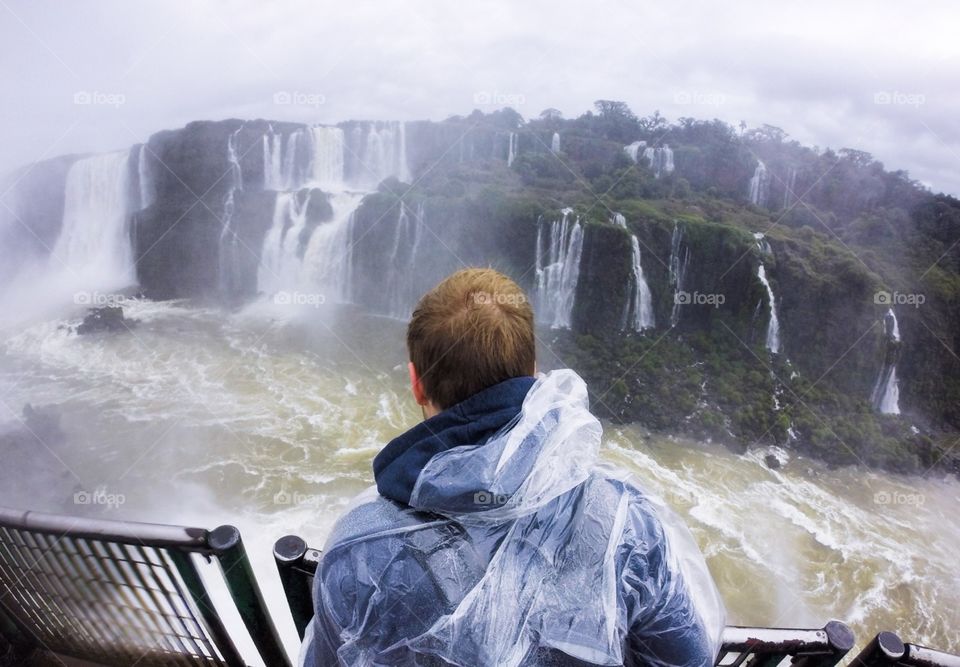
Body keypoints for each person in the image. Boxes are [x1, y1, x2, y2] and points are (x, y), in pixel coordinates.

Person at [300, 268, 724, 666]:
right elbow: (687, 659)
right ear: (534, 375)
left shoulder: (358, 546)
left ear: (416, 383)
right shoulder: (626, 522)